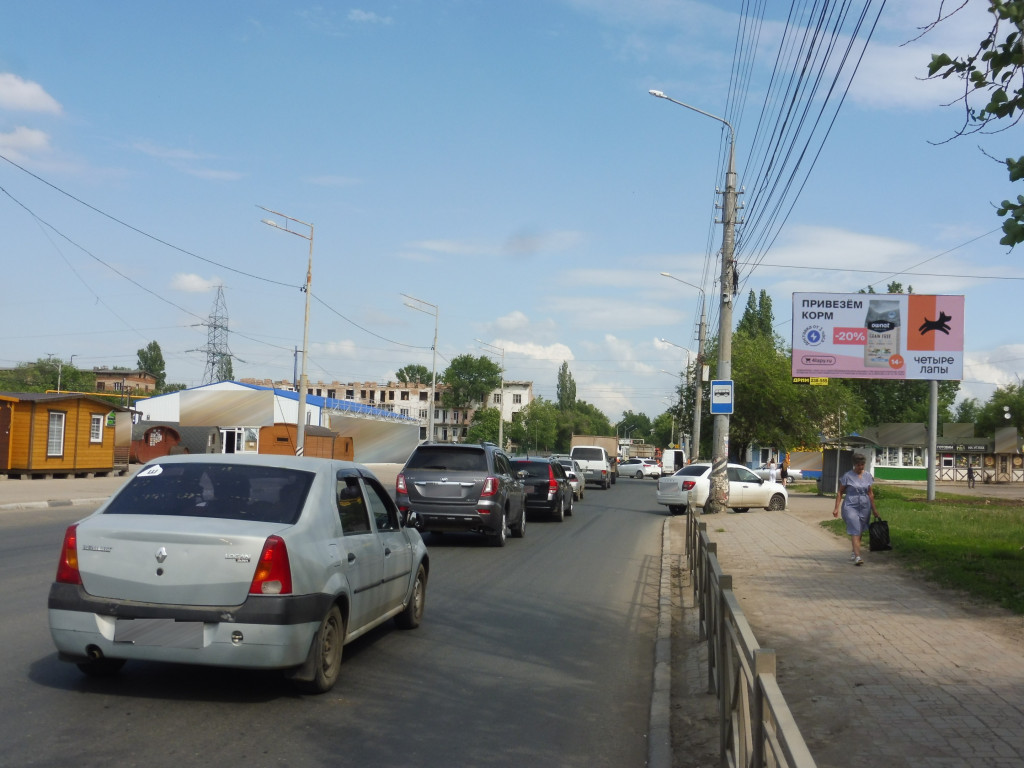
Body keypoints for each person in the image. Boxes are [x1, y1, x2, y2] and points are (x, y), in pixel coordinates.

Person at [832, 453, 880, 566]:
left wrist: (874, 509)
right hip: (850, 505)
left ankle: (854, 551)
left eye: (862, 464)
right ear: (854, 465)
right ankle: (858, 557)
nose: (861, 467)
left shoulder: (868, 476)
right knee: (855, 528)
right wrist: (836, 508)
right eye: (858, 465)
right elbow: (840, 492)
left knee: (860, 529)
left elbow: (870, 493)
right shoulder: (847, 476)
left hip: (865, 505)